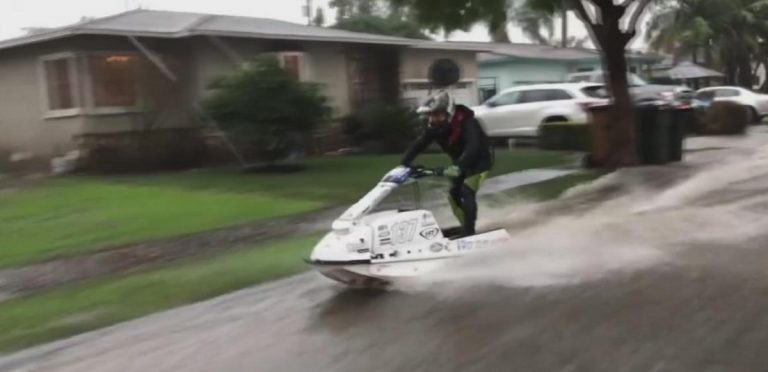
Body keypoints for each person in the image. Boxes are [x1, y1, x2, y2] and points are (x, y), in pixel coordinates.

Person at [401, 90, 493, 237]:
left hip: (480, 161)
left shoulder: (468, 122)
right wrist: (405, 162)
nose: (433, 119)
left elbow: (473, 146)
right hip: (460, 162)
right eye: (431, 115)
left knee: (466, 191)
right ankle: (465, 226)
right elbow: (420, 143)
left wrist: (458, 166)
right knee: (453, 193)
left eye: (437, 115)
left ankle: (469, 232)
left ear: (448, 112)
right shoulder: (435, 128)